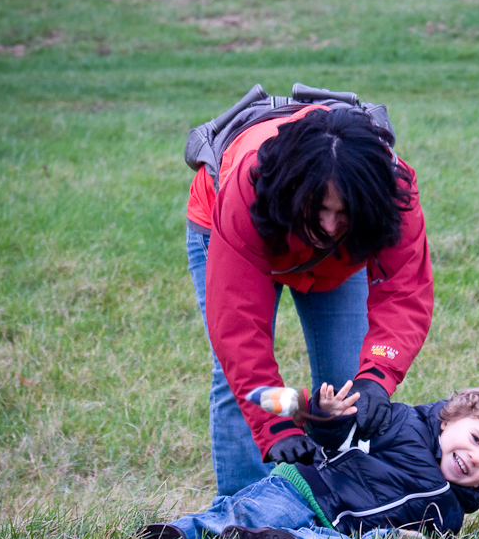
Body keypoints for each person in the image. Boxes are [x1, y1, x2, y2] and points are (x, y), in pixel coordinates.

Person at [185, 103, 433, 496]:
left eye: (343, 213)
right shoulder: (249, 187)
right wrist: (274, 425)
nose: (331, 226)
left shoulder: (390, 193)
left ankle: (331, 503)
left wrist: (377, 378)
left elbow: (403, 292)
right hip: (239, 222)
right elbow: (238, 329)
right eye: (320, 210)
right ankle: (242, 516)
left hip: (337, 259)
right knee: (237, 386)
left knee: (348, 384)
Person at [137, 381, 479, 539]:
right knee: (249, 512)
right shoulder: (403, 425)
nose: (473, 456)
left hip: (342, 533)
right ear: (449, 421)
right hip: (305, 488)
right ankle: (177, 536)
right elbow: (346, 434)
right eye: (475, 438)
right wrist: (328, 420)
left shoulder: (450, 514)